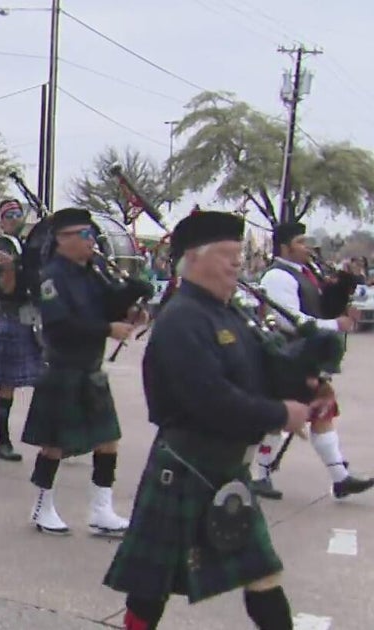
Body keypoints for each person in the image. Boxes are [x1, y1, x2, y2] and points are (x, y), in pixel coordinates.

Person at [104, 211, 311, 630]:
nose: (238, 263)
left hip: (227, 466)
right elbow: (210, 400)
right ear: (194, 260)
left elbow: (261, 369)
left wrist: (303, 385)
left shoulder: (230, 312)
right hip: (186, 465)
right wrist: (280, 413)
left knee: (262, 573)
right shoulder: (183, 320)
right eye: (227, 254)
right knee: (152, 582)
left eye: (239, 254)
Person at [21, 208, 136, 537]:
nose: (92, 242)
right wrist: (108, 328)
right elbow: (61, 325)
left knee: (108, 439)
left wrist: (129, 305)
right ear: (62, 239)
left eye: (92, 235)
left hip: (90, 367)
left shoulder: (93, 271)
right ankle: (43, 505)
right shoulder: (51, 277)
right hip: (63, 367)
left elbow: (108, 304)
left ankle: (102, 509)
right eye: (85, 235)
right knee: (54, 445)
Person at [250, 222, 373, 500]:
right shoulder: (278, 277)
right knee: (281, 416)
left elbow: (314, 308)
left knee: (321, 411)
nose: (308, 247)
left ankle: (340, 478)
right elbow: (289, 320)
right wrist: (335, 325)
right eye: (301, 242)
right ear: (284, 247)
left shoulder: (303, 273)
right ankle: (260, 475)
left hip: (305, 354)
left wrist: (341, 296)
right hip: (286, 355)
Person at [0, 199, 43, 462]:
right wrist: (13, 266)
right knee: (8, 384)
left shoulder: (27, 246)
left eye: (17, 213)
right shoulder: (0, 250)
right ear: (1, 222)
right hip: (13, 318)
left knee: (49, 380)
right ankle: (3, 441)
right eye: (8, 215)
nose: (14, 218)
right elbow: (8, 289)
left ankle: (56, 436)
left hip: (34, 319)